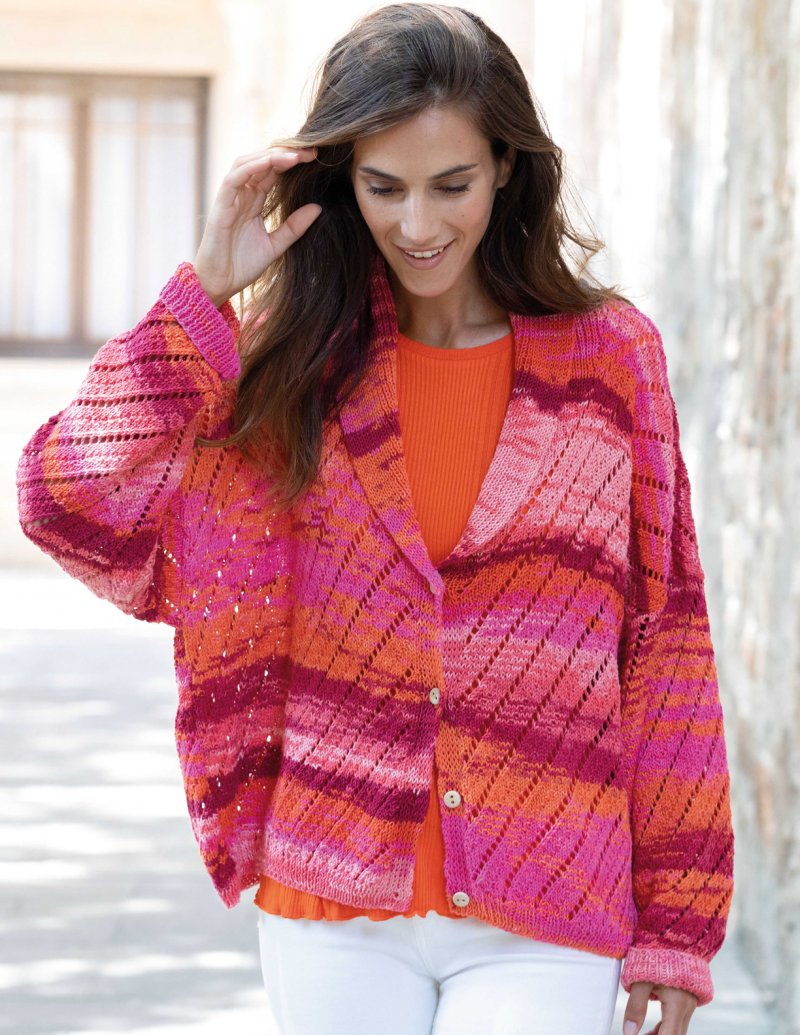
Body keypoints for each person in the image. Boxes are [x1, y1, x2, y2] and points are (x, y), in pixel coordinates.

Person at [16, 4, 735, 1035]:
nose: (418, 224)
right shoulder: (287, 364)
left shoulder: (610, 360)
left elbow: (664, 638)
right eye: (383, 186)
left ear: (506, 168)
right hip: (331, 901)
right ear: (340, 180)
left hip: (549, 896)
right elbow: (65, 500)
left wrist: (678, 921)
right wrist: (201, 297)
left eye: (452, 185)